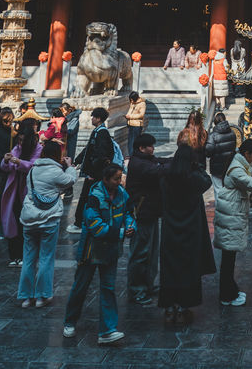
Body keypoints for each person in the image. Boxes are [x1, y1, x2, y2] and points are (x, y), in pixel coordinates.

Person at [63, 163, 135, 345]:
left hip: (110, 250)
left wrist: (130, 225)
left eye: (121, 177)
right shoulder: (94, 196)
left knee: (108, 288)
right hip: (91, 250)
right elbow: (95, 225)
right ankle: (70, 321)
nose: (120, 181)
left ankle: (107, 330)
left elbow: (128, 212)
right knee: (81, 286)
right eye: (116, 178)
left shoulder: (121, 194)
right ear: (106, 179)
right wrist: (119, 233)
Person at [159, 143, 215, 325]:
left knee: (170, 268)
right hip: (190, 229)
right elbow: (207, 180)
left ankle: (169, 307)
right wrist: (197, 165)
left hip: (170, 229)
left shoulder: (167, 178)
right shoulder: (193, 178)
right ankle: (184, 306)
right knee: (188, 268)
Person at [18, 139, 77, 307]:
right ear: (58, 155)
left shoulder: (32, 171)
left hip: (29, 218)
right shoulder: (56, 172)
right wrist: (70, 166)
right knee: (46, 258)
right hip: (49, 219)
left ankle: (26, 296)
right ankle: (42, 295)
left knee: (28, 258)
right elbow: (70, 181)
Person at [214, 138, 252, 306]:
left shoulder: (240, 163)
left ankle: (229, 291)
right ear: (246, 153)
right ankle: (227, 295)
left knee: (229, 257)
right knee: (228, 258)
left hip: (232, 212)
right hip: (231, 214)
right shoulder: (237, 169)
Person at [125, 132, 168, 306]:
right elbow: (160, 169)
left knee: (151, 252)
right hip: (142, 213)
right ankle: (137, 289)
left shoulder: (147, 160)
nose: (153, 149)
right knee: (140, 253)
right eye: (150, 146)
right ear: (142, 148)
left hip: (151, 211)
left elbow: (163, 162)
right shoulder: (139, 164)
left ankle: (148, 284)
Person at [67, 107, 114, 234]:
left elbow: (101, 155)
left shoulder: (102, 133)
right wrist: (77, 161)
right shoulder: (97, 132)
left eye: (93, 117)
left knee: (86, 197)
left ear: (98, 119)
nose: (91, 118)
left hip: (95, 174)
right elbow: (88, 149)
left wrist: (93, 173)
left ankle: (80, 222)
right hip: (93, 172)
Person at [1, 121, 42, 265]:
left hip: (28, 190)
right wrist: (6, 161)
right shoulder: (16, 148)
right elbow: (6, 167)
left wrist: (19, 163)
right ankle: (14, 255)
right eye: (20, 139)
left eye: (23, 140)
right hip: (13, 189)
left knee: (26, 224)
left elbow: (33, 166)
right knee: (12, 220)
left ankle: (26, 256)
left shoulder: (37, 148)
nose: (21, 142)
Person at [205, 111, 237, 201]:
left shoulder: (213, 136)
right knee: (229, 188)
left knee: (218, 189)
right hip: (229, 165)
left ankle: (220, 209)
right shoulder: (232, 133)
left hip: (217, 167)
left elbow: (208, 152)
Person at [0, 107, 14, 214]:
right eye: (6, 121)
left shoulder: (14, 133)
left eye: (10, 121)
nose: (8, 123)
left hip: (10, 165)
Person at [124, 92, 146, 157]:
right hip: (130, 124)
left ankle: (134, 156)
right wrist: (127, 115)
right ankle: (131, 155)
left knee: (134, 142)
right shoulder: (132, 102)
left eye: (132, 99)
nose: (131, 101)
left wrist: (131, 116)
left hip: (137, 125)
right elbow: (130, 110)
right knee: (130, 142)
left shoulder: (142, 104)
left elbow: (141, 115)